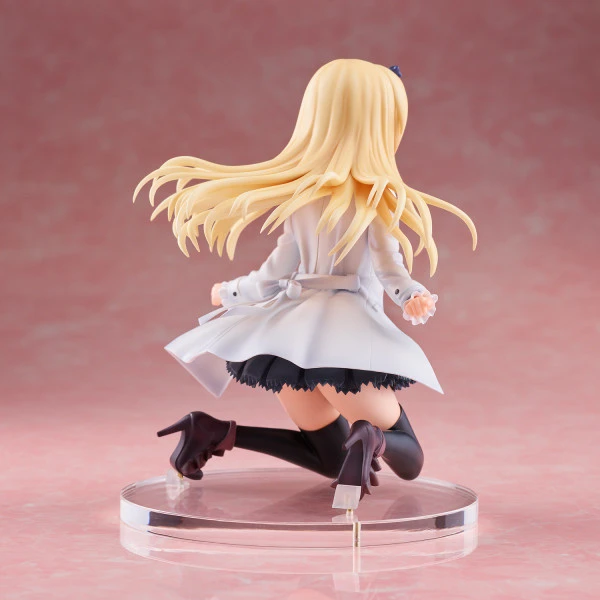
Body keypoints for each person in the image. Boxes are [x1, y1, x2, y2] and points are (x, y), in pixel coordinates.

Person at [134, 58, 477, 508]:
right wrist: (414, 296)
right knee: (409, 458)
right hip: (347, 350)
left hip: (290, 347)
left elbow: (273, 275)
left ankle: (213, 432)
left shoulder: (304, 199)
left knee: (330, 457)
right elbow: (392, 271)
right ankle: (372, 437)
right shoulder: (375, 201)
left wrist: (230, 292)